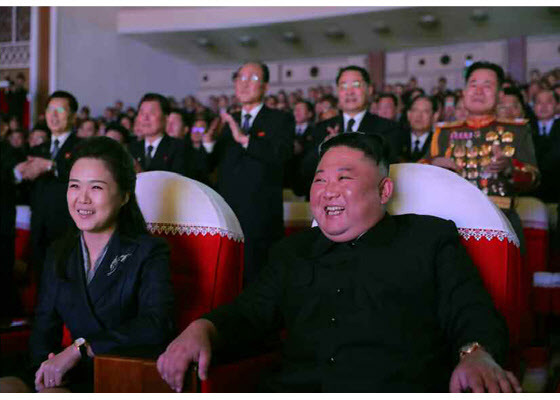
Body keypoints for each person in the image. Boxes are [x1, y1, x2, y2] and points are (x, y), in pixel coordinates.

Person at [157, 132, 520, 393]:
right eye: (320, 180)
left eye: (344, 178)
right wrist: (202, 328)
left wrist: (476, 354)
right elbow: (250, 313)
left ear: (384, 191)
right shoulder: (293, 252)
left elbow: (471, 309)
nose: (328, 191)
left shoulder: (429, 239)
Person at [0, 136, 175, 393]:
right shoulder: (60, 251)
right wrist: (44, 372)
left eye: (96, 188)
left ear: (124, 196)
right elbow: (43, 329)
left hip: (118, 376)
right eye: (74, 186)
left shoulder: (149, 252)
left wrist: (82, 349)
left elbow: (156, 325)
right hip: (66, 372)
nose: (82, 199)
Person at [205, 62, 294, 285]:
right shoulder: (226, 122)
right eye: (240, 78)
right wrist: (207, 144)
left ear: (265, 87)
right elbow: (208, 167)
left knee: (259, 281)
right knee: (226, 280)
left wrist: (244, 139)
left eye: (252, 79)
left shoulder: (280, 119)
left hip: (260, 219)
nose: (244, 83)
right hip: (226, 216)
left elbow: (281, 155)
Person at [300, 65, 405, 198]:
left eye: (356, 85)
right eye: (343, 86)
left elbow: (388, 171)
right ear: (337, 92)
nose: (349, 92)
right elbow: (304, 175)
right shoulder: (321, 129)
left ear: (370, 89)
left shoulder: (388, 128)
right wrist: (324, 148)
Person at [13, 91, 83, 273]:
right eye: (50, 109)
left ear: (73, 116)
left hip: (67, 229)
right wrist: (19, 174)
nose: (53, 115)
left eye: (60, 109)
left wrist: (51, 166)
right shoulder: (37, 149)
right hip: (38, 229)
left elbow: (82, 176)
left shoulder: (82, 147)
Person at [128, 93, 188, 176]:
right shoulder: (131, 149)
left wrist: (142, 174)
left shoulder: (179, 147)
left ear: (166, 118)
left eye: (151, 113)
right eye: (141, 113)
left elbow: (178, 182)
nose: (145, 118)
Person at [401, 95, 439, 162]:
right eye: (415, 110)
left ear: (435, 116)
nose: (419, 116)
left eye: (425, 111)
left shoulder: (439, 142)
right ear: (408, 114)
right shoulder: (397, 138)